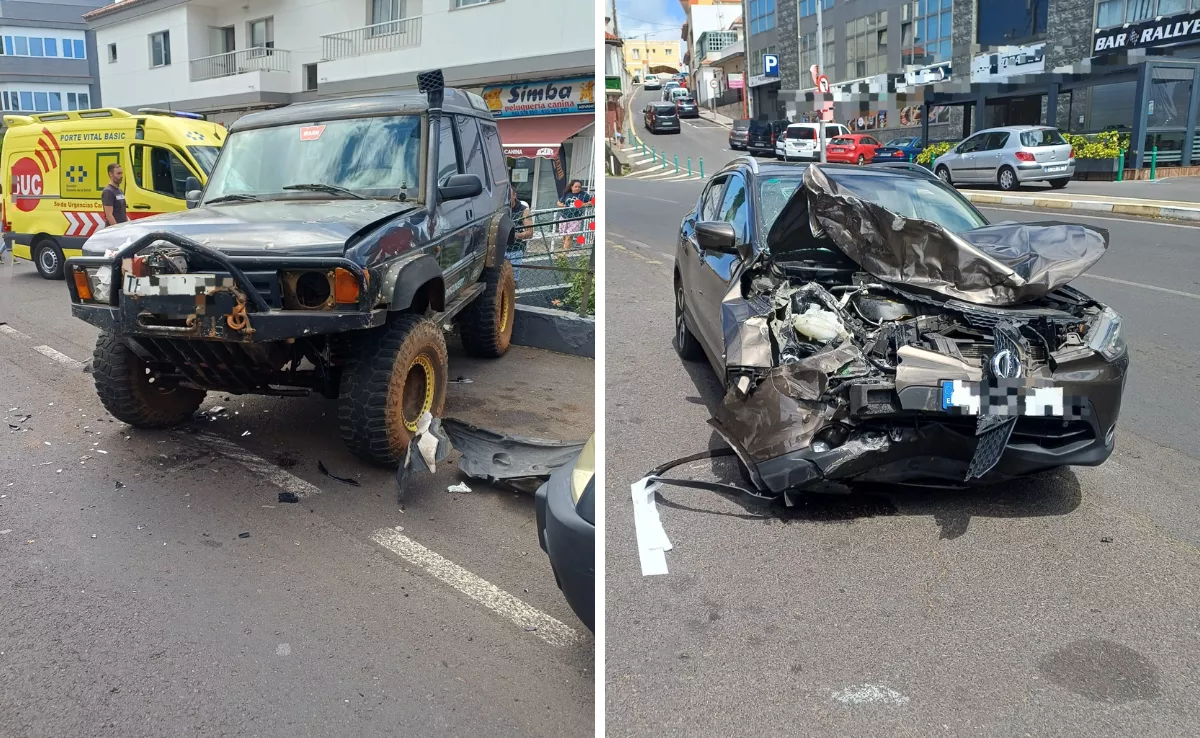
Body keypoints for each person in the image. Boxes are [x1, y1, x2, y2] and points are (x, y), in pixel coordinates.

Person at [556, 179, 592, 252]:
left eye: (579, 187)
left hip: (576, 219)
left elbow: (593, 201)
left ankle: (564, 254)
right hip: (564, 217)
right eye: (576, 186)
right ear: (571, 187)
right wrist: (561, 205)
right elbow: (558, 202)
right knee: (564, 236)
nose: (577, 188)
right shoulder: (567, 194)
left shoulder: (584, 195)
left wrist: (584, 204)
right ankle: (564, 250)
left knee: (569, 236)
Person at [507, 187, 533, 282]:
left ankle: (514, 292)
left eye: (509, 195)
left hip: (516, 247)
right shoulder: (499, 209)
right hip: (500, 248)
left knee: (513, 276)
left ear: (514, 195)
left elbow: (530, 232)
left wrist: (515, 235)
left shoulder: (524, 210)